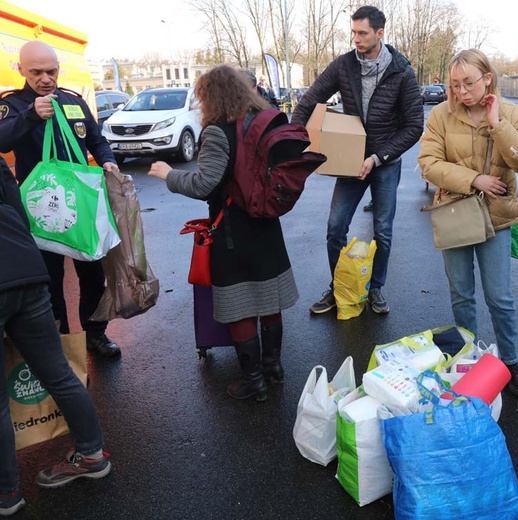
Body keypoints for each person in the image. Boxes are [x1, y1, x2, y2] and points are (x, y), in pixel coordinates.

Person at [147, 66, 298, 402]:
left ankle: (254, 383)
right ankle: (273, 370)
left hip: (233, 230)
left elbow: (204, 184)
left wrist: (167, 174)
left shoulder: (218, 131)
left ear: (212, 96)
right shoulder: (259, 122)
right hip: (266, 223)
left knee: (240, 306)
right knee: (269, 299)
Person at [417, 49, 518, 397]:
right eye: (455, 85)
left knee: (500, 297)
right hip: (455, 212)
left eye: (468, 83)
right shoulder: (440, 115)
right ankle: (467, 358)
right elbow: (428, 162)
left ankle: (511, 363)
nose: (461, 92)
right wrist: (474, 179)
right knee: (461, 295)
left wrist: (498, 124)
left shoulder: (511, 113)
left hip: (496, 216)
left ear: (488, 78)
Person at [292, 5, 423, 315]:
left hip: (385, 163)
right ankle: (340, 287)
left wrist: (379, 157)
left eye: (362, 33)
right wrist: (292, 137)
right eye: (353, 32)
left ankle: (375, 288)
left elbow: (414, 126)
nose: (356, 39)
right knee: (335, 226)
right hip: (350, 161)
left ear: (380, 33)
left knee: (383, 231)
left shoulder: (401, 71)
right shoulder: (344, 66)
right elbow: (310, 100)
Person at [0, 156, 112, 517]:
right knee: (59, 375)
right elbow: (18, 207)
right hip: (25, 269)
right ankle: (92, 455)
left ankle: (7, 494)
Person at [0, 41, 121, 357]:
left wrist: (107, 160)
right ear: (21, 70)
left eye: (50, 71)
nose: (45, 78)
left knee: (93, 274)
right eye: (36, 72)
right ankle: (64, 345)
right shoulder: (13, 105)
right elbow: (2, 141)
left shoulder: (72, 101)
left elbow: (96, 140)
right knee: (50, 281)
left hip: (79, 204)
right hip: (40, 211)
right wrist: (30, 116)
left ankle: (95, 333)